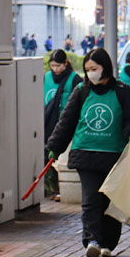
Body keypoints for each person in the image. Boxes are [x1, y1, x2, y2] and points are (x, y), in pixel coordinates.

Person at [46, 48, 130, 257]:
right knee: (91, 200)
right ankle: (93, 240)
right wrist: (55, 145)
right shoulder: (82, 90)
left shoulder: (122, 91)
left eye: (94, 68)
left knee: (110, 200)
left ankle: (108, 243)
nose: (90, 73)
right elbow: (67, 121)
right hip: (86, 154)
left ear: (105, 67)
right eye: (87, 69)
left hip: (114, 156)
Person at [42, 49, 84, 199]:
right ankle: (51, 188)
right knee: (47, 156)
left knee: (62, 159)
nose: (56, 69)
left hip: (66, 125)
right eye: (53, 65)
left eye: (58, 65)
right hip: (48, 124)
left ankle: (60, 189)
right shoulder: (46, 77)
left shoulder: (74, 79)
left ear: (66, 63)